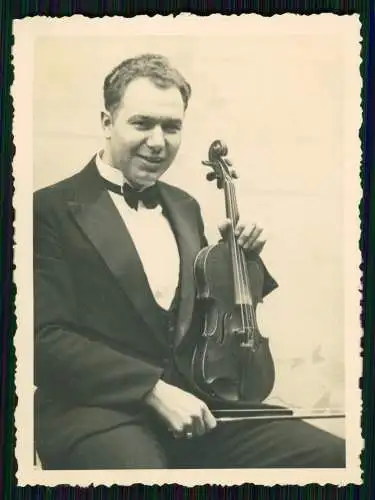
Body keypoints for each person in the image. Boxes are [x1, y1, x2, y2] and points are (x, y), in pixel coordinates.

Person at [34, 53, 345, 469]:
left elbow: (205, 313)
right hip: (96, 414)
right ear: (107, 122)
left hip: (195, 408)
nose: (158, 141)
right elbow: (42, 338)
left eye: (171, 126)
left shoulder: (185, 207)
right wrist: (151, 389)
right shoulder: (47, 209)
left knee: (332, 456)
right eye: (142, 123)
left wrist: (241, 262)